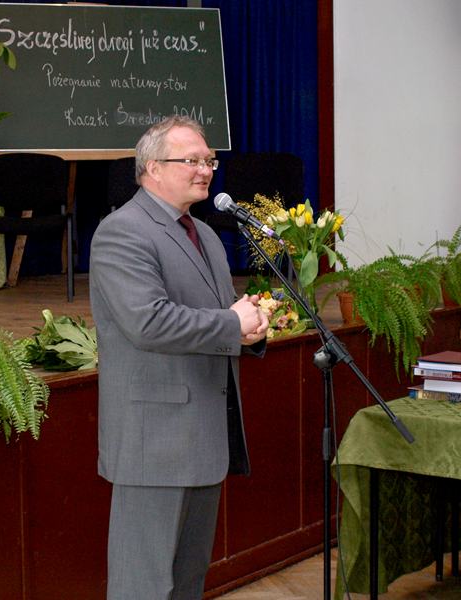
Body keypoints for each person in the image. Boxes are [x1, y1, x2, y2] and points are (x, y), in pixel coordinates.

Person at [89, 115, 269, 600]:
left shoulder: (204, 234)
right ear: (152, 167)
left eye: (209, 161)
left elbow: (216, 317)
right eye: (192, 160)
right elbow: (148, 321)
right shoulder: (121, 231)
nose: (205, 170)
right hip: (153, 444)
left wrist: (248, 329)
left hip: (204, 439)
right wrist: (232, 324)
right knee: (143, 588)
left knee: (187, 584)